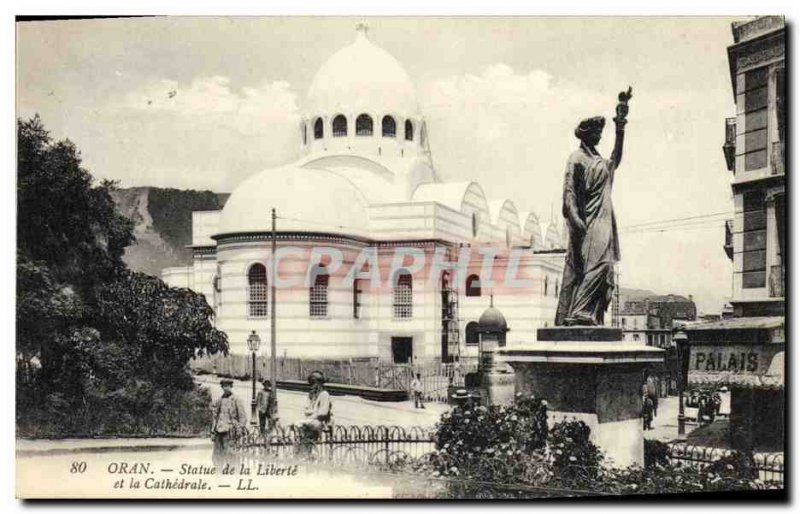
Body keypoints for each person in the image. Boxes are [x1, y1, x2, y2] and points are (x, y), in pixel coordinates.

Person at [555, 88, 632, 326]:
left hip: (606, 220)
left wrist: (620, 126)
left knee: (604, 267)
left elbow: (615, 160)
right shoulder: (576, 159)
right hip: (589, 222)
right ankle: (578, 313)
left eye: (601, 131)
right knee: (598, 265)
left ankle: (589, 315)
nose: (600, 135)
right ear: (586, 134)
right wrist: (576, 221)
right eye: (597, 132)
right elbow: (568, 194)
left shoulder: (600, 161)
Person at [210, 378, 247, 470]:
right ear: (222, 387)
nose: (226, 388)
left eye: (228, 386)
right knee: (217, 453)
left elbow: (242, 416)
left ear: (231, 387)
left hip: (230, 430)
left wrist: (241, 428)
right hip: (219, 429)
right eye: (224, 386)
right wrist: (212, 431)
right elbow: (215, 416)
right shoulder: (219, 400)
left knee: (230, 452)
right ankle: (219, 471)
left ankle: (234, 471)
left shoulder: (236, 399)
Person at [298, 371, 332, 456]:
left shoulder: (324, 394)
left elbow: (323, 412)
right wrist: (313, 412)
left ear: (318, 383)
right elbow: (306, 410)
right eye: (310, 384)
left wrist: (312, 414)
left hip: (320, 423)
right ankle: (305, 454)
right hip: (312, 422)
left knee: (309, 442)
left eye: (313, 384)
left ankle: (308, 455)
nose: (311, 386)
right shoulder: (312, 396)